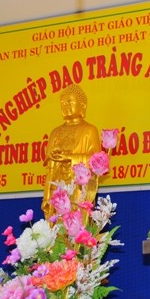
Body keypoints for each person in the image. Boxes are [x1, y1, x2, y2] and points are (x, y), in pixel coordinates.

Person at [41, 84, 101, 219]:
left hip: (78, 188)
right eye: (62, 103)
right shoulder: (55, 133)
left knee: (76, 223)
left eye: (70, 102)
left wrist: (69, 157)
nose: (65, 106)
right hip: (57, 188)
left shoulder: (89, 130)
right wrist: (47, 196)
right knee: (56, 227)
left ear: (82, 106)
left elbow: (96, 160)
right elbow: (50, 168)